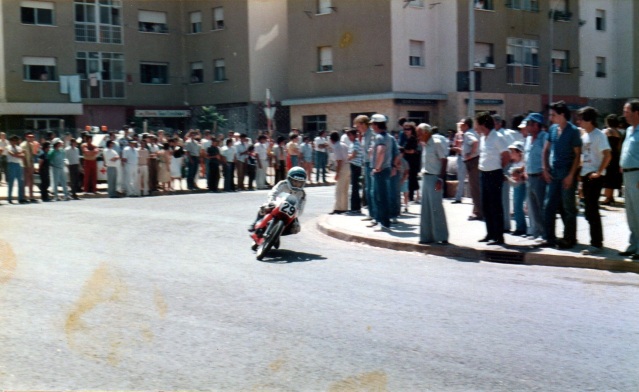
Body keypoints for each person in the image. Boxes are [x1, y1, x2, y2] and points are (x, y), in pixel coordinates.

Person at [540, 100, 582, 249]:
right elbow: (545, 150)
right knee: (548, 206)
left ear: (562, 115)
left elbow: (578, 155)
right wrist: (545, 168)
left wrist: (571, 175)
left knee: (568, 207)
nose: (551, 117)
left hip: (566, 173)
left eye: (553, 115)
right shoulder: (552, 130)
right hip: (553, 174)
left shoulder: (573, 131)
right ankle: (549, 237)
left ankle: (569, 239)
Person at [576, 106, 611, 255]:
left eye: (582, 118)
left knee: (592, 210)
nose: (579, 121)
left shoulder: (599, 135)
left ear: (589, 120)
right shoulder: (584, 136)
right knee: (588, 211)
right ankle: (596, 241)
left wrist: (599, 172)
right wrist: (580, 181)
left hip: (594, 176)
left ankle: (596, 243)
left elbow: (608, 155)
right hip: (585, 176)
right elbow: (583, 158)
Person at [248, 166, 308, 249]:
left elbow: (301, 208)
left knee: (296, 228)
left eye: (299, 183)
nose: (297, 184)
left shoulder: (302, 194)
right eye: (295, 181)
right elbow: (273, 193)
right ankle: (255, 222)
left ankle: (277, 234)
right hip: (276, 205)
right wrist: (271, 202)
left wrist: (296, 214)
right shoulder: (282, 184)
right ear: (289, 179)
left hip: (291, 212)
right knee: (263, 208)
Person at [476, 112, 510, 245]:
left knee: (495, 206)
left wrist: (499, 169)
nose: (476, 127)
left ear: (483, 124)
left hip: (494, 173)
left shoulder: (497, 137)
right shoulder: (483, 138)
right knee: (486, 205)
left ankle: (499, 236)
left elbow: (506, 156)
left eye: (477, 124)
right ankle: (490, 233)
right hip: (484, 174)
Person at [417, 123, 449, 244]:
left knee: (436, 207)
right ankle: (426, 237)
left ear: (426, 132)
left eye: (419, 133)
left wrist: (440, 179)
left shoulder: (436, 142)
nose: (418, 136)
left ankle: (442, 236)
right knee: (425, 208)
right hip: (426, 177)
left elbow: (444, 160)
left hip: (435, 178)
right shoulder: (425, 144)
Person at [522, 113, 548, 241]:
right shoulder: (527, 139)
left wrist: (545, 171)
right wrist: (524, 170)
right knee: (532, 207)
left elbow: (547, 155)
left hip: (539, 176)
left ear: (536, 125)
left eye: (529, 124)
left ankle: (545, 234)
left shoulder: (544, 137)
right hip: (529, 177)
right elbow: (526, 157)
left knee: (541, 206)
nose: (526, 127)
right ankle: (536, 232)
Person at [619, 99, 639, 260]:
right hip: (627, 175)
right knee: (631, 213)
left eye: (627, 111)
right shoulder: (629, 131)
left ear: (636, 113)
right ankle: (633, 245)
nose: (624, 115)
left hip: (637, 175)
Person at [369, 114, 393, 231]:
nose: (372, 126)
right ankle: (382, 222)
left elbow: (381, 151)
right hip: (386, 169)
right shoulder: (388, 136)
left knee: (380, 197)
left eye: (372, 124)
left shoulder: (379, 137)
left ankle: (384, 223)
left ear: (376, 125)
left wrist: (377, 167)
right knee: (382, 196)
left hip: (381, 170)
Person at [460, 117, 482, 220]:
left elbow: (475, 142)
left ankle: (479, 213)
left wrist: (470, 154)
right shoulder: (471, 132)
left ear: (466, 125)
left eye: (462, 124)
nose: (460, 125)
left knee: (475, 188)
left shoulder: (468, 134)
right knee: (475, 187)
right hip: (475, 161)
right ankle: (476, 210)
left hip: (473, 162)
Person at [602, 114, 623, 205]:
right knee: (612, 177)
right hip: (616, 156)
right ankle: (610, 197)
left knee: (607, 177)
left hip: (608, 155)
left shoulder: (606, 131)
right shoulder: (619, 133)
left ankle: (607, 198)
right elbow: (619, 147)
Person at [507, 141, 527, 236]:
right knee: (516, 206)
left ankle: (521, 227)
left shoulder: (522, 163)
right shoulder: (513, 164)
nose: (511, 153)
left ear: (518, 152)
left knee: (518, 206)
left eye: (512, 151)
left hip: (521, 185)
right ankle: (520, 226)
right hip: (516, 186)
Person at [329, 131, 350, 214]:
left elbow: (339, 161)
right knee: (345, 189)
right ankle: (344, 207)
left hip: (342, 167)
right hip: (348, 166)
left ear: (331, 139)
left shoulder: (337, 146)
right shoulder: (344, 145)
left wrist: (337, 173)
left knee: (339, 189)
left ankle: (338, 208)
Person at [401, 123, 421, 203]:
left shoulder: (413, 139)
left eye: (408, 129)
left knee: (411, 178)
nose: (406, 131)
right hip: (408, 160)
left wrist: (403, 150)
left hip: (412, 161)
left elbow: (412, 151)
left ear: (412, 130)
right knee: (411, 178)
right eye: (405, 129)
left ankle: (411, 197)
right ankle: (413, 196)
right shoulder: (407, 139)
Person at [5, 135, 26, 204]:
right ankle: (9, 198)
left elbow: (23, 156)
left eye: (15, 140)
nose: (14, 142)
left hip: (18, 165)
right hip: (11, 164)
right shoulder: (8, 147)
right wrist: (19, 154)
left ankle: (20, 198)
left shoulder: (18, 147)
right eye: (13, 140)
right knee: (11, 181)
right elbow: (12, 154)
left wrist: (17, 154)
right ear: (10, 141)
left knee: (20, 182)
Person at [347, 129, 362, 213]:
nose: (349, 137)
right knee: (354, 187)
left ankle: (355, 208)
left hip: (356, 166)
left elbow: (354, 154)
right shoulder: (352, 144)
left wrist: (347, 158)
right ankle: (355, 207)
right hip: (353, 165)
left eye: (350, 135)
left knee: (355, 187)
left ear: (354, 135)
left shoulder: (356, 143)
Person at [20, 131, 37, 202]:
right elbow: (23, 156)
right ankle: (23, 196)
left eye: (32, 137)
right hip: (25, 165)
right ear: (26, 137)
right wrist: (26, 166)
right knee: (25, 181)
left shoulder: (31, 144)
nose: (31, 138)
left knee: (31, 181)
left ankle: (31, 196)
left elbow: (32, 154)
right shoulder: (23, 145)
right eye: (30, 137)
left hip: (30, 164)